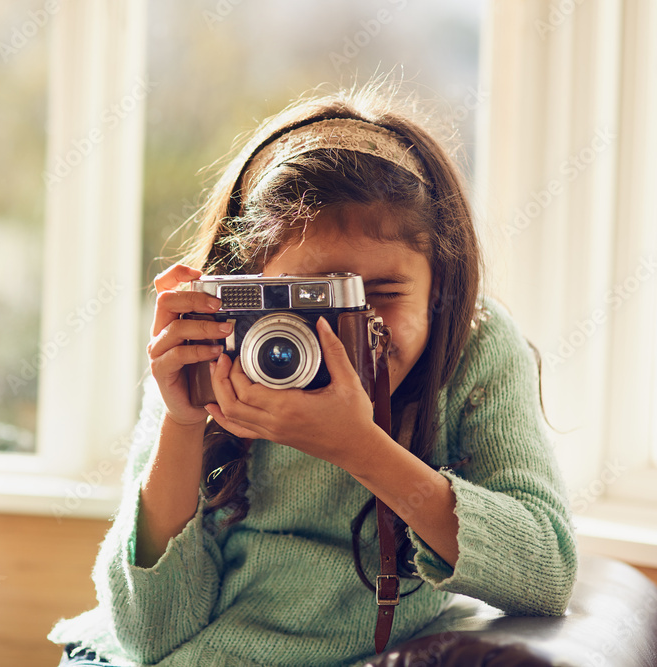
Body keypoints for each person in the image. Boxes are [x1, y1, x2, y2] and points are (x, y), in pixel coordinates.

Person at [49, 85, 577, 666]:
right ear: (244, 287)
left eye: (383, 293)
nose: (349, 330)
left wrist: (362, 449)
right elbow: (148, 634)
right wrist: (181, 422)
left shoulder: (473, 349)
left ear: (442, 290)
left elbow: (545, 571)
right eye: (310, 300)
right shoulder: (218, 344)